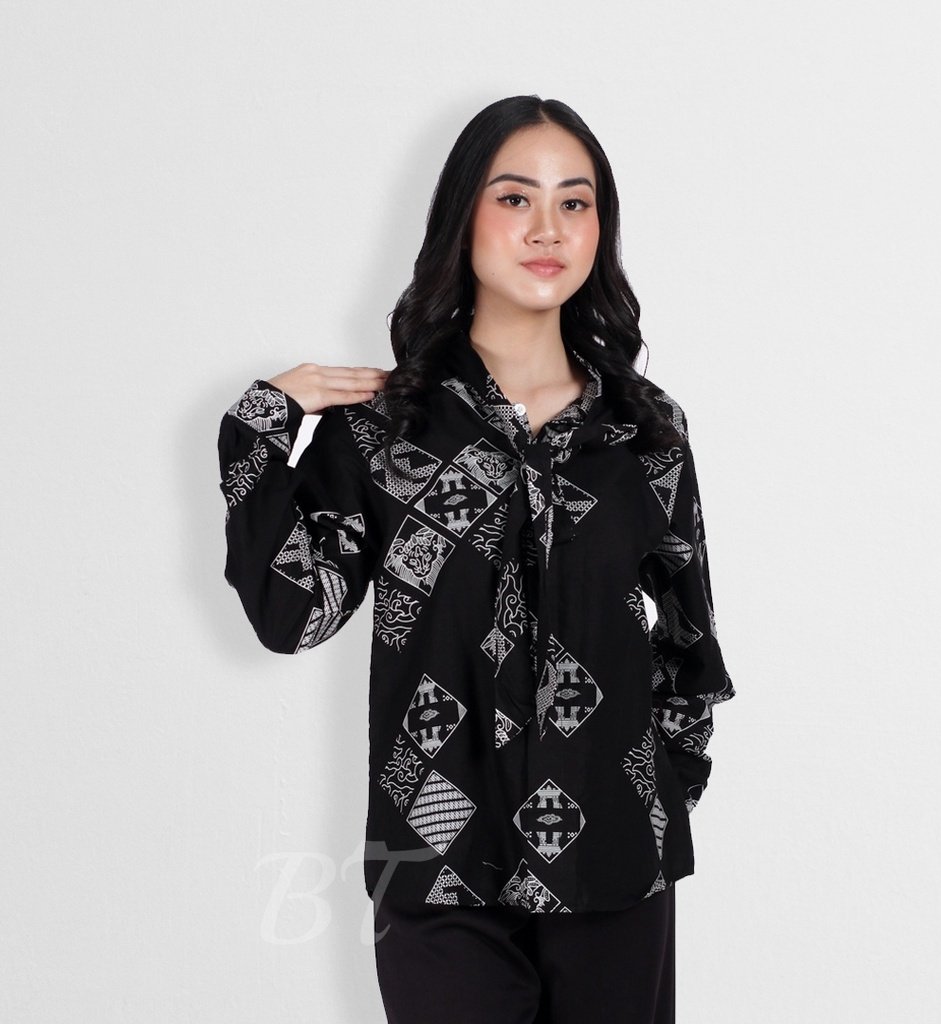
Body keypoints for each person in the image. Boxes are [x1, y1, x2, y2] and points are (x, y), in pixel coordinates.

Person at [217, 95, 737, 1024]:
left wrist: (651, 796)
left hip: (616, 866)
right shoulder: (387, 429)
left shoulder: (644, 431)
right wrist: (260, 427)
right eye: (515, 198)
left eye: (575, 203)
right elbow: (294, 615)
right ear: (464, 216)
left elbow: (691, 646)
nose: (548, 229)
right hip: (434, 863)